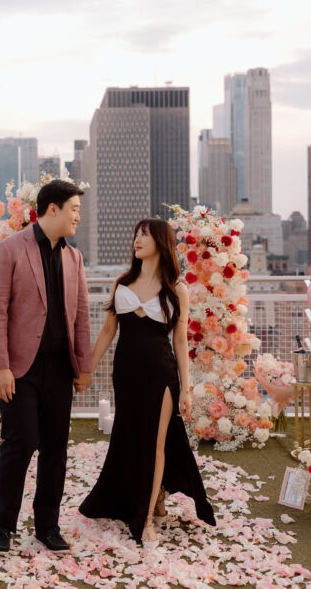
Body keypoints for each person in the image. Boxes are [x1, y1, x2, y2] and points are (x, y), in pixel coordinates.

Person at [79, 218, 216, 544]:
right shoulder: (122, 282)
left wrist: (186, 387)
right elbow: (108, 332)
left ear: (161, 242)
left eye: (144, 235)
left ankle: (144, 521)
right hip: (125, 374)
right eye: (136, 234)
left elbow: (180, 341)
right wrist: (87, 370)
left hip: (161, 375)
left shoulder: (177, 289)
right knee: (129, 436)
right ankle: (152, 499)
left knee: (156, 442)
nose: (137, 240)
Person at [0, 179, 92, 556]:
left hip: (60, 369)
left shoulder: (73, 258)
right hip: (19, 370)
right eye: (74, 209)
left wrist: (85, 366)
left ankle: (47, 525)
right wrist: (0, 367)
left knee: (56, 450)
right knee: (21, 442)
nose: (79, 216)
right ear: (52, 210)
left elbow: (80, 317)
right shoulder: (9, 250)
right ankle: (2, 527)